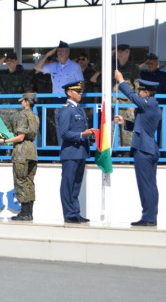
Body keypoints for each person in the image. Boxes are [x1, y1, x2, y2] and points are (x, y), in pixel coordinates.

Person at [114, 71, 161, 226]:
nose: (138, 93)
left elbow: (132, 96)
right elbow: (142, 127)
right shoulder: (151, 106)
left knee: (145, 185)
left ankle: (148, 217)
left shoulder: (150, 103)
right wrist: (125, 123)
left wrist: (121, 81)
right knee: (150, 184)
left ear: (146, 93)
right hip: (149, 148)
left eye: (140, 90)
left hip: (144, 150)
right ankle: (150, 216)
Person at [0, 92, 40, 221]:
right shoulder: (35, 117)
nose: (21, 103)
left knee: (20, 181)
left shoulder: (22, 116)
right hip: (32, 150)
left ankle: (25, 212)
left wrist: (4, 141)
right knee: (29, 182)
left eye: (23, 101)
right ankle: (29, 212)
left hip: (22, 151)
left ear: (27, 102)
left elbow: (20, 136)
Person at [56, 81, 94, 224]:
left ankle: (75, 212)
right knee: (68, 184)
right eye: (77, 91)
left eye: (81, 91)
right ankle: (69, 213)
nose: (80, 93)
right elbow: (64, 133)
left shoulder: (79, 109)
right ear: (69, 93)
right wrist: (82, 135)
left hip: (80, 152)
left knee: (76, 185)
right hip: (71, 152)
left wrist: (89, 134)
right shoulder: (66, 110)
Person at [0, 52, 34, 132]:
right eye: (7, 60)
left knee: (17, 133)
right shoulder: (1, 75)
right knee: (3, 134)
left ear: (16, 61)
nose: (9, 62)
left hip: (17, 109)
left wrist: (28, 108)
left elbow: (28, 91)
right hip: (2, 109)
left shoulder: (23, 76)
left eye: (12, 60)